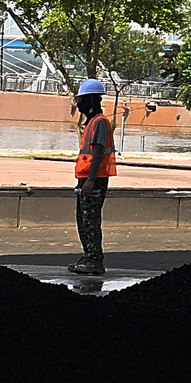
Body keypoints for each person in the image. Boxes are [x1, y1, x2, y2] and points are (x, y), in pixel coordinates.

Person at [71, 76, 120, 282]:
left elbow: (98, 153)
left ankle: (95, 259)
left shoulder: (99, 122)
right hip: (86, 178)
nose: (80, 104)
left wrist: (90, 180)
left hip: (95, 179)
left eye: (82, 100)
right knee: (82, 220)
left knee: (91, 220)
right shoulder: (91, 122)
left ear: (92, 100)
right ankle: (88, 256)